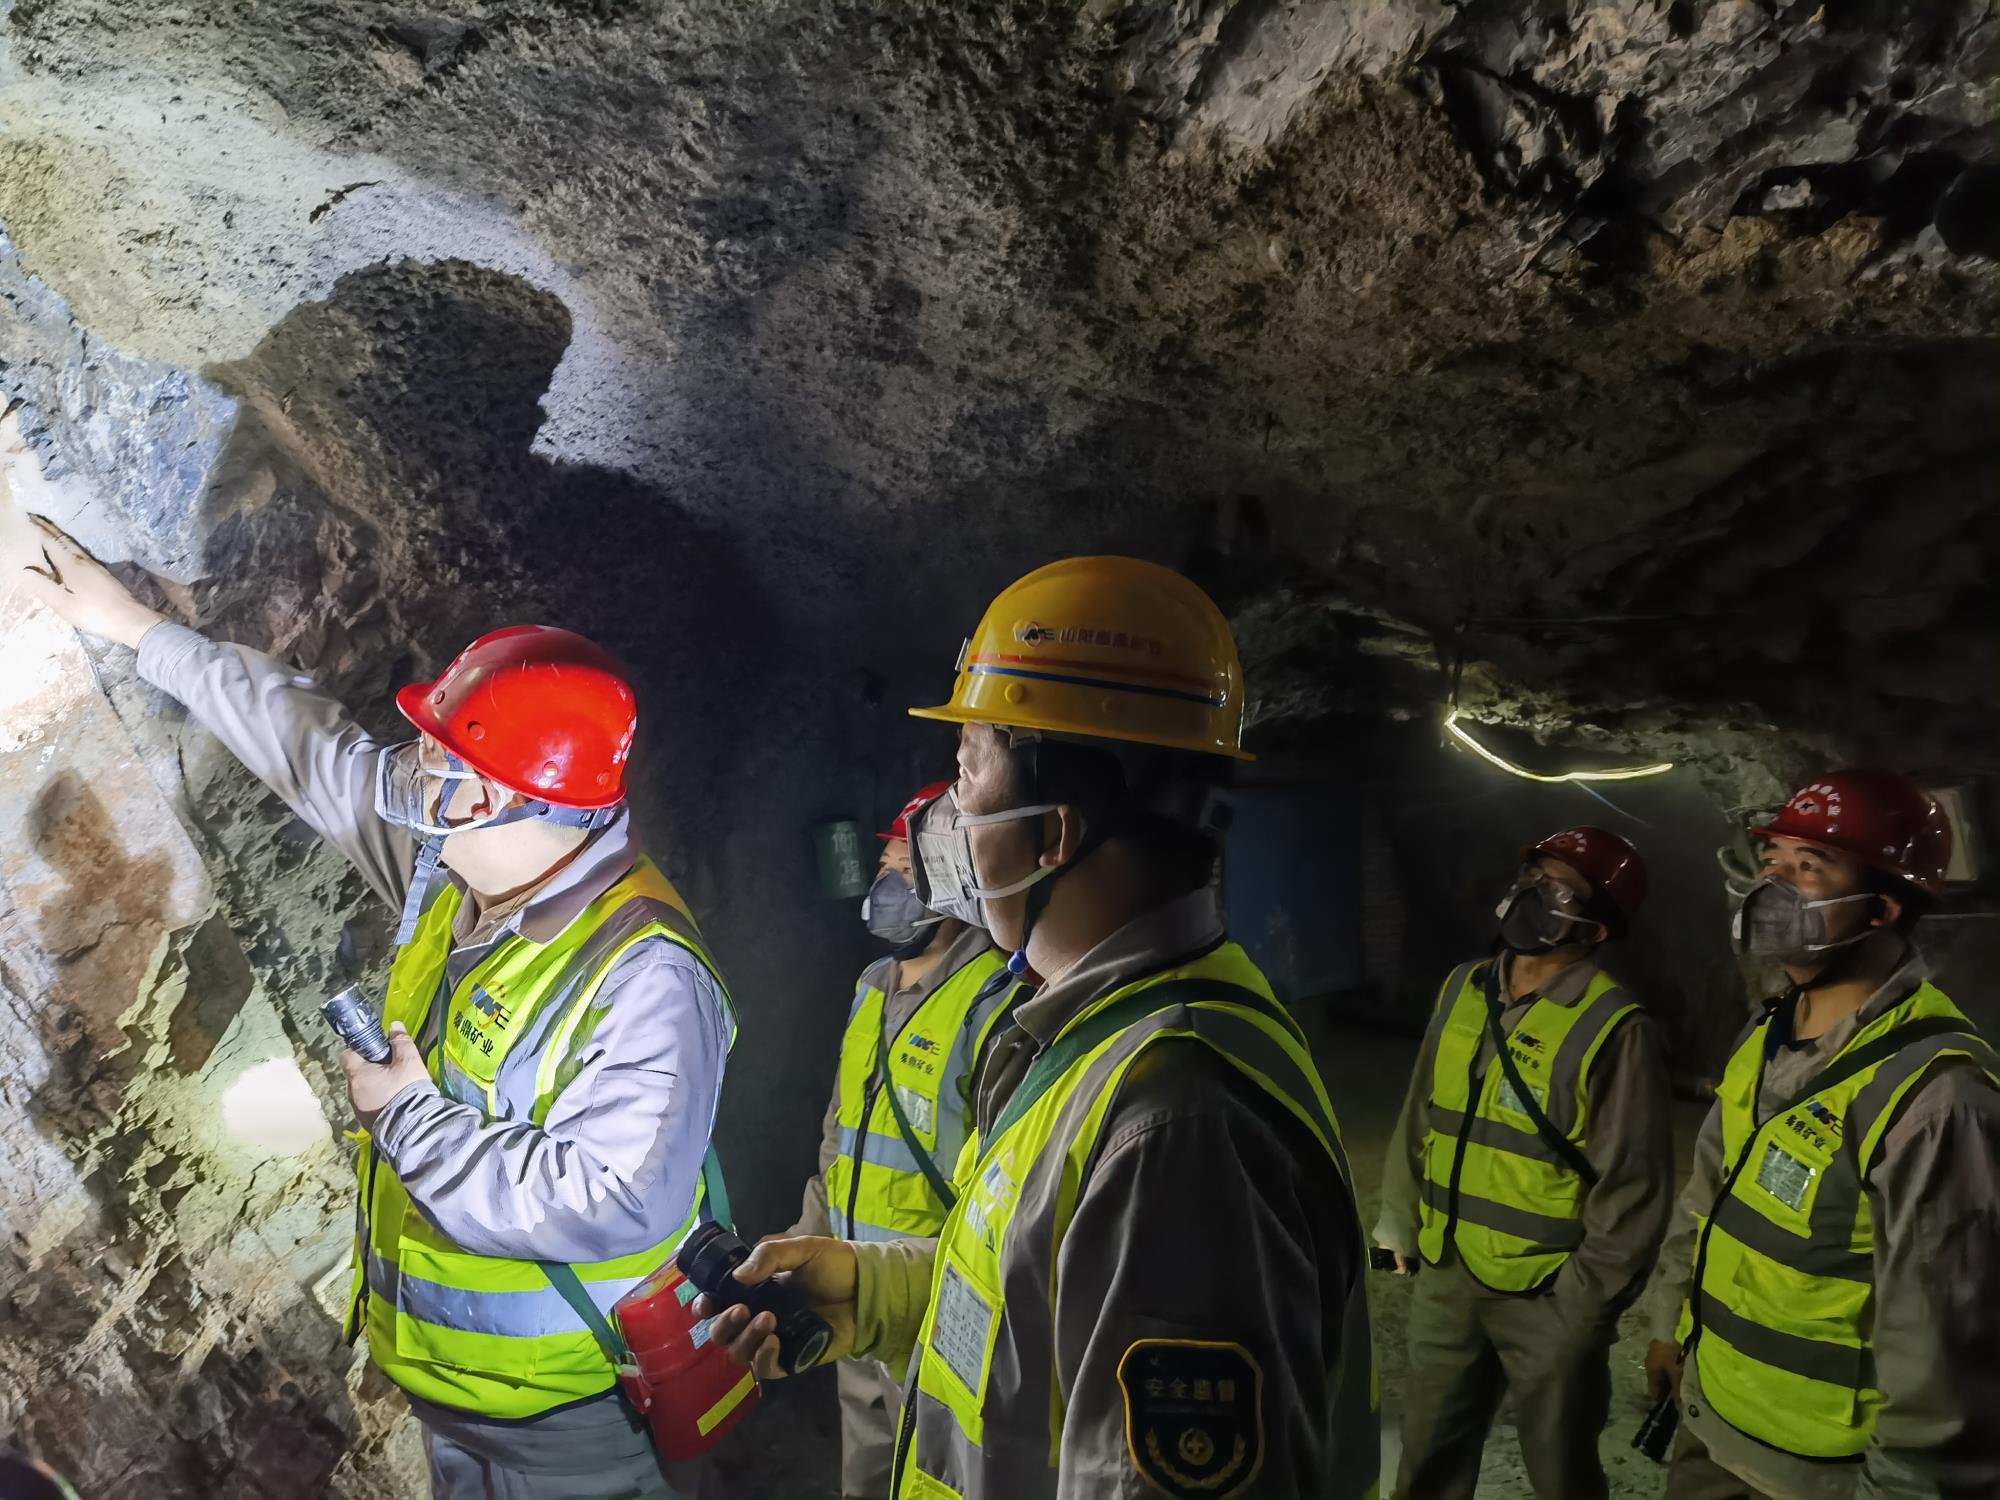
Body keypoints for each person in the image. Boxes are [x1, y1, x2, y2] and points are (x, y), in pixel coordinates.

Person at [2, 428, 733, 1500]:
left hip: (571, 1421)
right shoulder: (457, 869)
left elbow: (614, 1200)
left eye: (438, 755)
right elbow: (304, 744)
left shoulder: (646, 978)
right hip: (450, 1396)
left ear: (493, 797)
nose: (408, 766)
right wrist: (135, 628)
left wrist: (409, 1120)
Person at [702, 555, 1379, 1498]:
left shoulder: (1174, 1125)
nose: (949, 816)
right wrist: (874, 1291)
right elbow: (1046, 1298)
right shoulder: (1098, 1037)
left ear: (1054, 832)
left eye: (968, 770)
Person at [1644, 770, 2000, 1499]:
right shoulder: (1767, 1033)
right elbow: (1708, 1201)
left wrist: (1902, 1487)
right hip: (1712, 1421)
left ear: (1883, 908)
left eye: (1809, 866)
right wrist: (1671, 1326)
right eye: (1769, 860)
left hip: (1819, 1472)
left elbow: (1942, 1347)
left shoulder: (1936, 1098)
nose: (1770, 886)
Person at [1374, 826, 1673, 1500]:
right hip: (1448, 1273)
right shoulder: (1464, 987)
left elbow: (1634, 1189)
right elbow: (1420, 1112)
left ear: (1596, 929)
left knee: (1561, 1472)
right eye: (1533, 876)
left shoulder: (1616, 1028)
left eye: (1558, 888)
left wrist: (1581, 1311)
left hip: (1546, 1293)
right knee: (1427, 1461)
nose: (1533, 892)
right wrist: (1400, 1222)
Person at [786, 782, 1017, 1498]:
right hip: (852, 1292)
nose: (890, 886)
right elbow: (839, 1137)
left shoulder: (994, 999)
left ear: (956, 882)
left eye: (910, 871)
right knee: (864, 1474)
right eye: (885, 867)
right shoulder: (870, 986)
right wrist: (807, 1242)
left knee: (935, 1476)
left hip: (931, 1306)